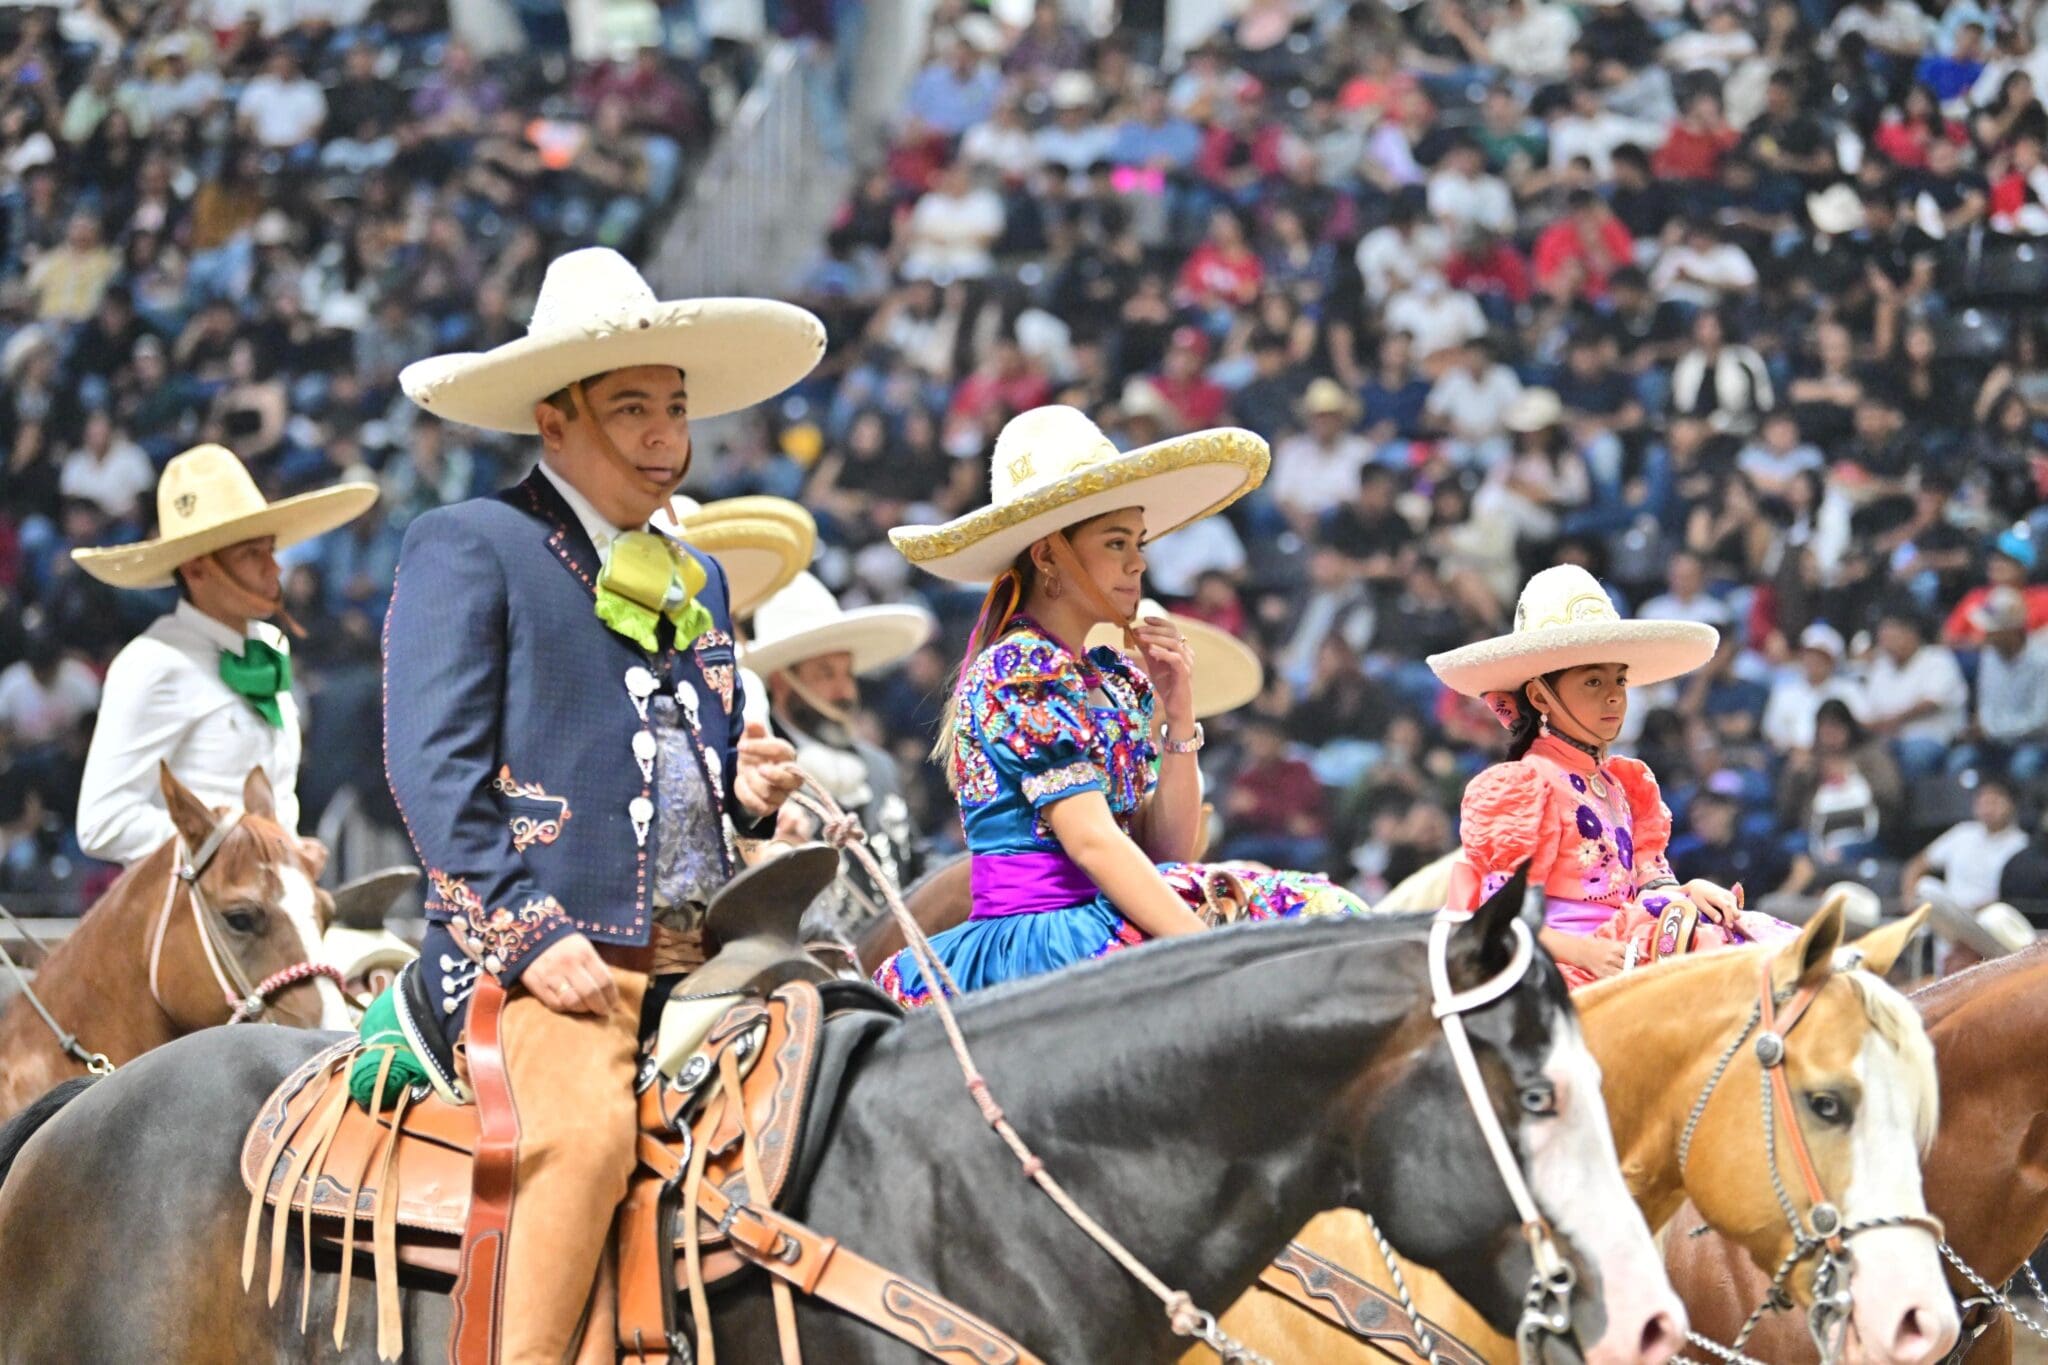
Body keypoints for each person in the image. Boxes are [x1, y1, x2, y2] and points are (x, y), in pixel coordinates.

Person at [383, 247, 824, 1364]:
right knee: (579, 1141)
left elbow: (692, 762)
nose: (663, 433)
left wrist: (750, 797)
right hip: (543, 958)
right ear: (555, 417)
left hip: (707, 948)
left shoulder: (700, 574)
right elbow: (432, 771)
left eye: (672, 407)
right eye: (631, 407)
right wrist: (529, 935)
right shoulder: (471, 543)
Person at [875, 406, 1366, 1005]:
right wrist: (1209, 952)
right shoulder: (1020, 667)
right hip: (1046, 936)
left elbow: (1167, 850)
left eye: (1138, 542)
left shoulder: (1112, 677)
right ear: (1050, 555)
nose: (1139, 562)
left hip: (1103, 911)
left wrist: (1179, 714)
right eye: (1116, 543)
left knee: (1330, 916)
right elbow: (1091, 842)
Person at [1427, 564, 1797, 989]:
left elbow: (1649, 881)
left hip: (1626, 947)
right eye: (1592, 682)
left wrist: (1689, 890)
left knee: (1750, 939)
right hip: (1560, 970)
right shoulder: (1522, 787)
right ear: (1539, 696)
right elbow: (1502, 918)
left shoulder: (1628, 785)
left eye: (1619, 680)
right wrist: (1587, 952)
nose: (1613, 696)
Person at [71, 442, 377, 864]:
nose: (275, 568)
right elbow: (102, 823)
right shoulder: (152, 663)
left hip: (267, 913)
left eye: (269, 549)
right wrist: (234, 846)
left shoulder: (269, 650)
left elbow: (278, 802)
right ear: (197, 569)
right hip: (186, 916)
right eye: (251, 554)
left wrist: (288, 851)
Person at [743, 570, 936, 942]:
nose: (845, 691)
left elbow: (918, 858)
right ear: (783, 683)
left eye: (847, 674)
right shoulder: (764, 777)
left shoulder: (878, 766)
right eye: (826, 674)